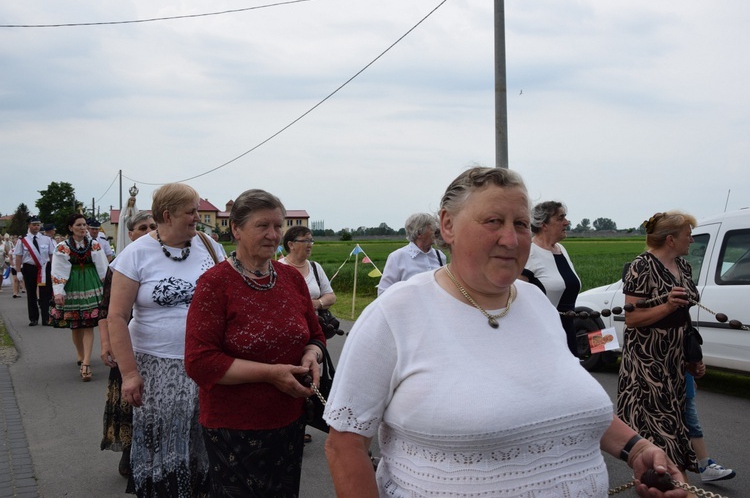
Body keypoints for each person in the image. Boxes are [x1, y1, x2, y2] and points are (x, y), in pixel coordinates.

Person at [324, 166, 684, 498]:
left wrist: (637, 448)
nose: (511, 240)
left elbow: (568, 401)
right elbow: (345, 445)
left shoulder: (537, 303)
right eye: (493, 221)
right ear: (447, 225)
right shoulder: (394, 314)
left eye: (522, 224)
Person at [184, 189, 326, 497]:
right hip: (234, 427)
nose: (273, 234)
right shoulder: (214, 284)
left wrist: (312, 355)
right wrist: (270, 374)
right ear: (236, 228)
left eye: (278, 226)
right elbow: (200, 362)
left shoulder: (291, 279)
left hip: (289, 421)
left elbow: (315, 335)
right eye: (263, 225)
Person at [108, 183, 225, 497]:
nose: (197, 218)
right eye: (191, 212)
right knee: (163, 443)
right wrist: (130, 374)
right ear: (166, 215)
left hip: (206, 365)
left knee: (203, 439)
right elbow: (116, 317)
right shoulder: (135, 254)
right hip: (156, 368)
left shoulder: (211, 247)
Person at [617, 211, 701, 483]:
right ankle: (674, 483)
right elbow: (632, 318)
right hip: (648, 359)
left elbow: (684, 316)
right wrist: (667, 305)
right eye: (687, 234)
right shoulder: (642, 266)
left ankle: (665, 481)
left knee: (677, 420)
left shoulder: (684, 267)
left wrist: (693, 355)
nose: (691, 238)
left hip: (675, 357)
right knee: (660, 422)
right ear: (670, 239)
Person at [98, 211, 156, 478]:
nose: (148, 231)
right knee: (129, 402)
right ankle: (129, 452)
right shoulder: (122, 262)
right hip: (126, 343)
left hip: (157, 345)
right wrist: (106, 342)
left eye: (153, 226)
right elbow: (105, 310)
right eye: (142, 227)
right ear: (131, 234)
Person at [280, 224, 337, 444]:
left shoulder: (315, 267)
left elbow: (330, 296)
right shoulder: (279, 267)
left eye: (311, 240)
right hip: (288, 332)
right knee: (290, 375)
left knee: (311, 375)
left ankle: (305, 421)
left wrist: (315, 303)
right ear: (291, 244)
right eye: (305, 240)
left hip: (313, 332)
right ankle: (290, 421)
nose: (310, 245)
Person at [50, 213, 109, 381]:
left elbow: (103, 268)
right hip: (73, 285)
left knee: (89, 323)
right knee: (76, 325)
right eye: (79, 225)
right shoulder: (62, 247)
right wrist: (59, 291)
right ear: (70, 228)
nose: (83, 228)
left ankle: (86, 364)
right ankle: (80, 354)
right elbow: (58, 269)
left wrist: (107, 288)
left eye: (84, 225)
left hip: (91, 284)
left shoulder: (95, 244)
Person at [520, 201, 582, 356]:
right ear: (543, 224)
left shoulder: (562, 250)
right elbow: (518, 300)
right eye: (561, 218)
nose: (567, 222)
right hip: (541, 337)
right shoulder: (528, 252)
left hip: (567, 333)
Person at [684, 370, 736, 482]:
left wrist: (691, 377)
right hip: (673, 384)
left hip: (682, 383)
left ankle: (705, 465)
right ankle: (705, 465)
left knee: (691, 425)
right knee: (690, 425)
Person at [377, 213, 446, 296]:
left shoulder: (440, 256)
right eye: (432, 229)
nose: (436, 232)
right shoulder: (397, 257)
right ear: (419, 233)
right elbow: (383, 292)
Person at [14, 216, 53, 326]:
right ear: (29, 225)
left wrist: (53, 269)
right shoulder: (22, 240)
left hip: (44, 267)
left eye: (38, 224)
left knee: (46, 293)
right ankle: (33, 318)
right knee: (31, 293)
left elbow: (51, 255)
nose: (36, 227)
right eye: (34, 224)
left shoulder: (46, 239)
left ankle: (46, 318)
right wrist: (18, 271)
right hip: (29, 267)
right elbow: (18, 256)